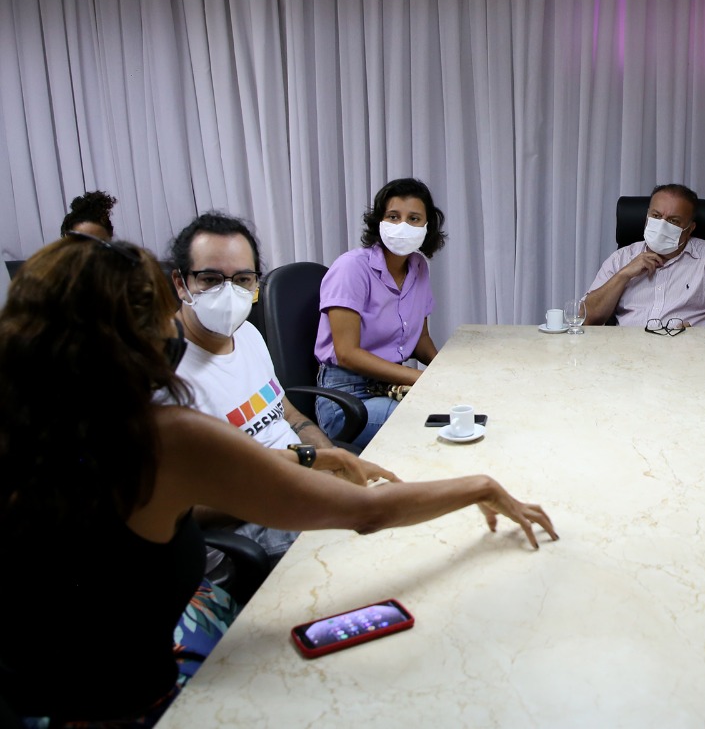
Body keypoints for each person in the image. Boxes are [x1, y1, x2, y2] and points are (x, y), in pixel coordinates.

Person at [0, 234, 556, 725]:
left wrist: (315, 457)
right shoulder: (163, 436)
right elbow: (368, 513)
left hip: (35, 689)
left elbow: (199, 491)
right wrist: (481, 486)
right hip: (131, 702)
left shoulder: (29, 427)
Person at [168, 212, 363, 566]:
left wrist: (329, 461)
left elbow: (287, 413)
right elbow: (179, 508)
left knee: (393, 493)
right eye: (210, 279)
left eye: (243, 279)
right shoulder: (162, 373)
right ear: (181, 284)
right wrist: (294, 481)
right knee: (373, 535)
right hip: (246, 524)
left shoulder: (247, 334)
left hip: (298, 484)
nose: (229, 293)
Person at [315, 178, 445, 449]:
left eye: (414, 219)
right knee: (442, 425)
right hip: (347, 399)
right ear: (379, 222)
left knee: (466, 407)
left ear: (427, 227)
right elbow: (346, 353)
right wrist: (422, 379)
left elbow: (420, 340)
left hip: (390, 386)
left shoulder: (418, 267)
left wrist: (445, 371)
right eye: (393, 217)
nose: (402, 226)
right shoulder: (351, 268)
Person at [583, 184, 705, 329]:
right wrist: (623, 275)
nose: (662, 225)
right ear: (647, 217)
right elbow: (587, 318)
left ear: (690, 229)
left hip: (689, 351)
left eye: (673, 221)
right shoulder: (621, 258)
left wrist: (702, 339)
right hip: (629, 350)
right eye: (656, 216)